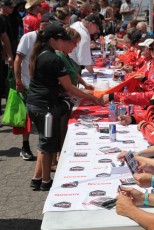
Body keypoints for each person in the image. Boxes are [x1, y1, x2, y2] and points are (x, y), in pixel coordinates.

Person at [26, 24, 103, 191]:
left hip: (36, 103)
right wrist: (92, 97)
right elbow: (69, 87)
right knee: (48, 144)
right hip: (44, 106)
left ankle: (37, 178)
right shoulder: (52, 58)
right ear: (54, 40)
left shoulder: (42, 53)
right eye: (64, 40)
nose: (66, 43)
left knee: (45, 142)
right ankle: (46, 181)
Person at [14, 13, 56, 161]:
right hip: (27, 83)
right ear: (43, 24)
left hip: (41, 84)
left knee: (41, 117)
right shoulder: (28, 37)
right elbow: (18, 59)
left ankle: (43, 149)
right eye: (49, 24)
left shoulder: (49, 39)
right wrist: (18, 81)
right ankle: (25, 146)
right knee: (26, 117)